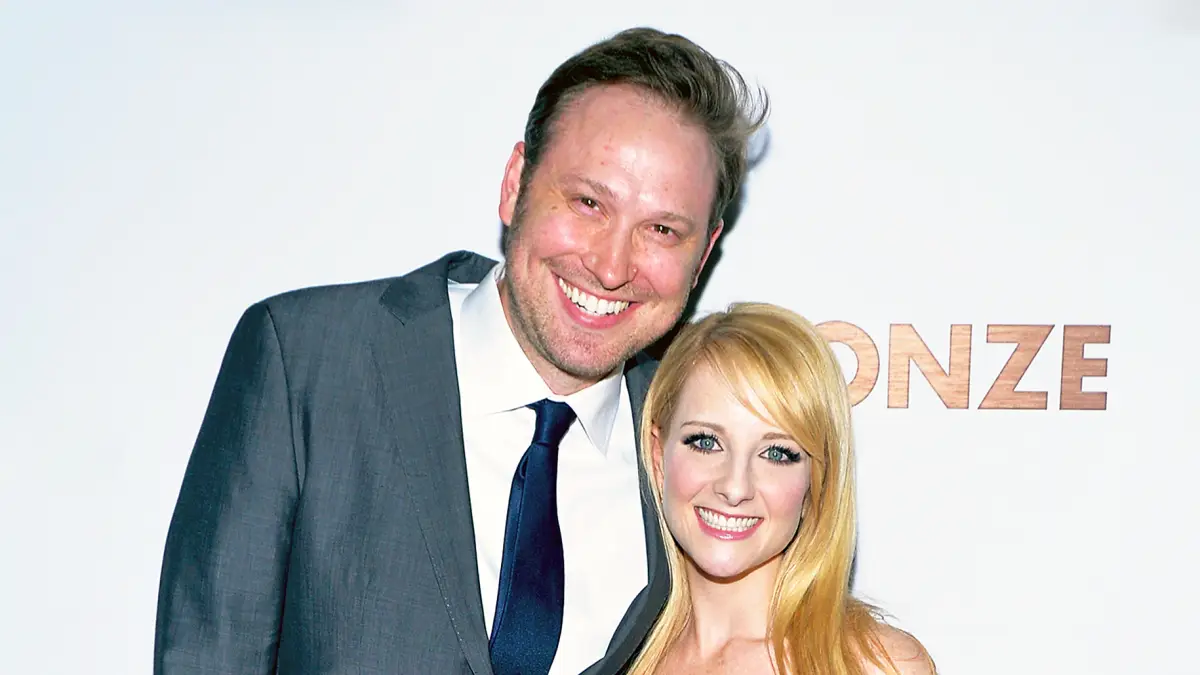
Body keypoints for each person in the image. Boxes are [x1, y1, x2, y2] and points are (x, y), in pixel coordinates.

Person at [153, 27, 768, 675]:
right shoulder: (306, 359)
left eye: (662, 230)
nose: (612, 267)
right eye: (588, 202)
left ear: (703, 253)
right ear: (515, 184)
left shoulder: (700, 450)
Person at [628, 303, 936, 675]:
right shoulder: (611, 658)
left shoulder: (876, 665)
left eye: (776, 453)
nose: (735, 487)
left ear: (815, 483)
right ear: (658, 457)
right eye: (706, 442)